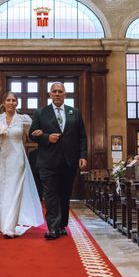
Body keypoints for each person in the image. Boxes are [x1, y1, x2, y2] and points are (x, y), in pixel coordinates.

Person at [29, 82, 88, 240]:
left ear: (65, 94)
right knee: (50, 194)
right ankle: (52, 228)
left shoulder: (74, 113)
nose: (57, 94)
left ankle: (62, 225)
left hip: (69, 161)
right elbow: (31, 135)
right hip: (47, 161)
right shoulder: (41, 113)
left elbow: (82, 136)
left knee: (64, 194)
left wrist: (83, 156)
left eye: (60, 91)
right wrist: (47, 137)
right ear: (50, 94)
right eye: (54, 91)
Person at [0, 91, 43, 238]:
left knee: (14, 191)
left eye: (14, 100)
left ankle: (9, 226)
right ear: (4, 103)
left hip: (17, 159)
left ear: (17, 103)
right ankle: (0, 222)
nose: (11, 103)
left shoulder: (24, 120)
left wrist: (42, 134)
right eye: (8, 100)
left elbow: (33, 134)